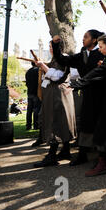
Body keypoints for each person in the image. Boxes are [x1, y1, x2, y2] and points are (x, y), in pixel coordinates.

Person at [70, 34, 106, 177]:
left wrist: (81, 82)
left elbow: (100, 71)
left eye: (101, 47)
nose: (99, 50)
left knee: (105, 132)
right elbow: (101, 73)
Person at [52, 29, 105, 166]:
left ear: (94, 40)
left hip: (101, 94)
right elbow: (63, 60)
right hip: (87, 94)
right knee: (86, 123)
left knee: (101, 124)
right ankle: (82, 154)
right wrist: (56, 45)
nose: (83, 39)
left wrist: (78, 84)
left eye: (86, 37)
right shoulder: (81, 55)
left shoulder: (102, 53)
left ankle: (103, 157)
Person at [34, 40, 77, 168]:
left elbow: (58, 76)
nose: (50, 49)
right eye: (49, 47)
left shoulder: (63, 58)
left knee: (55, 122)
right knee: (61, 121)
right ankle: (65, 151)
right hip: (57, 94)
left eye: (51, 47)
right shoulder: (57, 59)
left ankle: (52, 155)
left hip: (57, 95)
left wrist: (43, 66)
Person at [25, 62, 41, 131]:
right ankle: (36, 125)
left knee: (29, 110)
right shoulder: (38, 71)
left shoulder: (28, 71)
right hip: (36, 92)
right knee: (36, 109)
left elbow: (27, 82)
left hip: (29, 92)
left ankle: (28, 126)